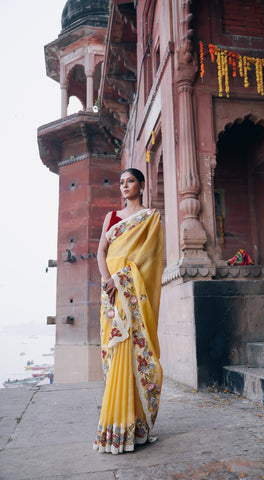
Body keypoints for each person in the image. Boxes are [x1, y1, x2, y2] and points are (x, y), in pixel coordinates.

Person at [93, 168, 163, 454]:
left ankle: (133, 423)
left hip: (132, 292)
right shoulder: (111, 217)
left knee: (132, 350)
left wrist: (124, 279)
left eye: (130, 181)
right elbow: (101, 251)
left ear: (142, 185)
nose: (124, 186)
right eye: (121, 182)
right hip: (111, 292)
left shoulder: (150, 218)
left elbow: (149, 258)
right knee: (116, 351)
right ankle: (114, 425)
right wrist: (109, 280)